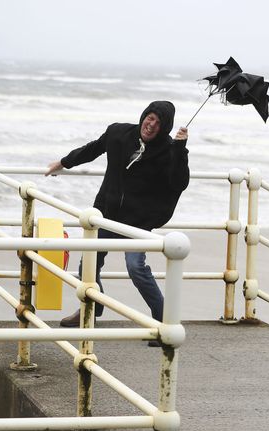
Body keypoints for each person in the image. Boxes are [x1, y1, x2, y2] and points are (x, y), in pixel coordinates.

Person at [45, 101, 190, 335]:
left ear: (165, 128)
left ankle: (164, 321)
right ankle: (92, 309)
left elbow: (179, 182)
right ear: (143, 116)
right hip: (107, 215)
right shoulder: (118, 132)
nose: (151, 125)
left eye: (159, 123)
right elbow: (93, 149)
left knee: (136, 268)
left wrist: (181, 148)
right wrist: (63, 163)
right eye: (150, 118)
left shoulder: (169, 150)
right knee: (88, 267)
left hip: (138, 222)